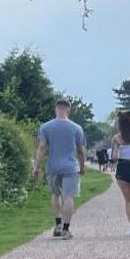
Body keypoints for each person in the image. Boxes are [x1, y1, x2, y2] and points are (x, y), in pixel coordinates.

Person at [33, 100, 88, 240]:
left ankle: (57, 224)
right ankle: (66, 229)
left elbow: (42, 148)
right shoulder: (76, 128)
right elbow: (80, 150)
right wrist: (82, 167)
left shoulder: (45, 127)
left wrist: (36, 166)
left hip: (53, 166)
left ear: (56, 109)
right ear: (68, 110)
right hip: (70, 167)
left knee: (55, 194)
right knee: (68, 196)